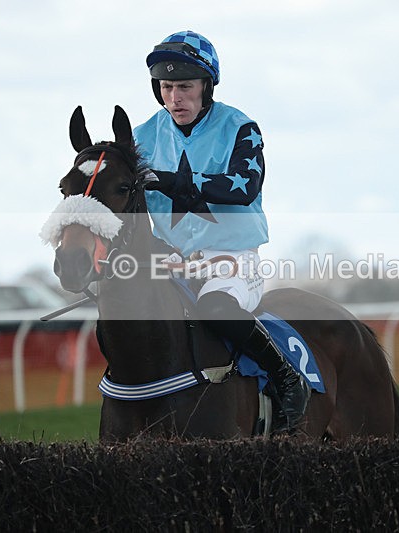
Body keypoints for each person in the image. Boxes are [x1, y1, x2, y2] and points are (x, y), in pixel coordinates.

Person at [132, 30, 310, 432]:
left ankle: (286, 378)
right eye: (166, 87)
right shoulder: (141, 138)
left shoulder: (241, 128)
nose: (174, 98)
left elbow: (244, 187)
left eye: (185, 86)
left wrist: (169, 180)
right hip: (170, 263)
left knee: (214, 308)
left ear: (206, 86)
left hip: (230, 261)